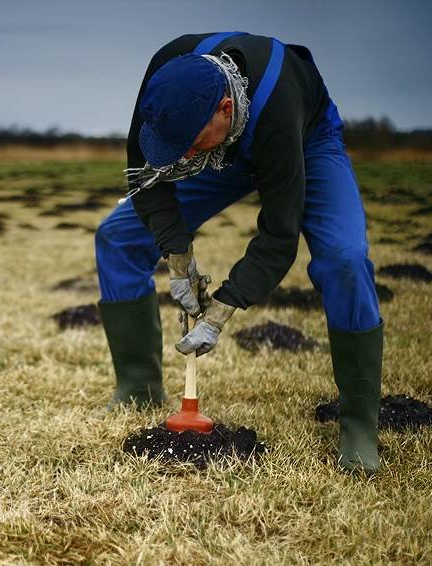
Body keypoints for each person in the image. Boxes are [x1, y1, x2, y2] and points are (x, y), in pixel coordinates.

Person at [95, 32, 383, 474]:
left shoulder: (278, 107)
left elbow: (279, 236)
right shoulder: (168, 78)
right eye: (175, 147)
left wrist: (221, 310)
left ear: (225, 109)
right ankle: (138, 388)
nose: (181, 157)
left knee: (344, 258)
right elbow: (146, 176)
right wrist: (178, 258)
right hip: (219, 151)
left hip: (303, 142)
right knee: (117, 236)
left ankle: (359, 424)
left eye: (187, 144)